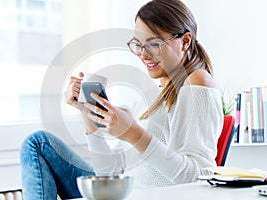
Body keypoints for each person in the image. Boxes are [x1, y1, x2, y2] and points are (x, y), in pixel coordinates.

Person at [20, 0, 223, 199]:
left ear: (185, 41)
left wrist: (133, 133)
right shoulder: (151, 98)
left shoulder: (197, 81)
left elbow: (198, 178)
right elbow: (109, 173)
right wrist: (87, 113)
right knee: (38, 143)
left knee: (37, 142)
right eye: (138, 45)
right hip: (123, 192)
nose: (143, 54)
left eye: (153, 44)